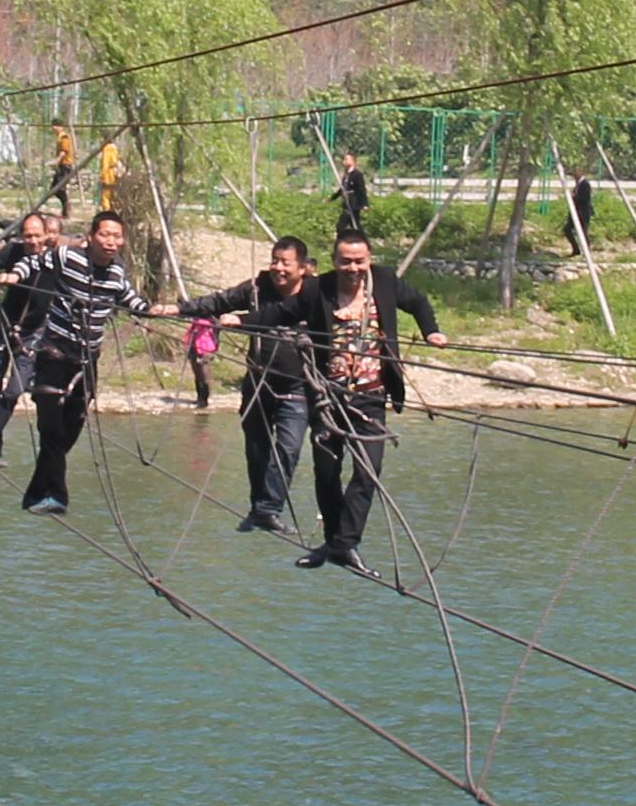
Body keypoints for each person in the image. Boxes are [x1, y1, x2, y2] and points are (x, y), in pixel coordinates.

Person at [249, 225, 440, 570]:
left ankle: (345, 543)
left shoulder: (384, 281)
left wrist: (432, 331)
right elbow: (281, 313)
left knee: (368, 472)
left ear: (369, 260)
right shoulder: (318, 288)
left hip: (370, 397)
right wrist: (242, 320)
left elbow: (418, 303)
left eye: (358, 261)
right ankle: (334, 543)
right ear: (334, 260)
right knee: (326, 473)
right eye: (345, 262)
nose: (352, 268)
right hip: (328, 399)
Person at [0, 207, 134, 514]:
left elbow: (131, 299)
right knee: (50, 427)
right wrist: (14, 274)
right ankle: (57, 496)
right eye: (105, 235)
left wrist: (160, 310)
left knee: (71, 428)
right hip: (54, 355)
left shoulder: (116, 274)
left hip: (86, 362)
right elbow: (34, 262)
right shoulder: (68, 257)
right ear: (90, 238)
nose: (111, 242)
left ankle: (35, 491)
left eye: (117, 236)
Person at [179, 236, 318, 531]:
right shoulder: (257, 289)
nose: (278, 268)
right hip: (258, 382)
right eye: (274, 260)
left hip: (298, 386)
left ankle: (268, 508)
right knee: (257, 449)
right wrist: (178, 309)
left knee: (289, 448)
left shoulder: (314, 295)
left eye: (286, 263)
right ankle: (259, 508)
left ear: (303, 268)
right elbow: (218, 301)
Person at [0, 203, 62, 463]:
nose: (33, 241)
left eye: (37, 235)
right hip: (4, 327)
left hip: (33, 335)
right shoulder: (13, 251)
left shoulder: (57, 258)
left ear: (47, 235)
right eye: (28, 236)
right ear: (22, 236)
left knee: (14, 390)